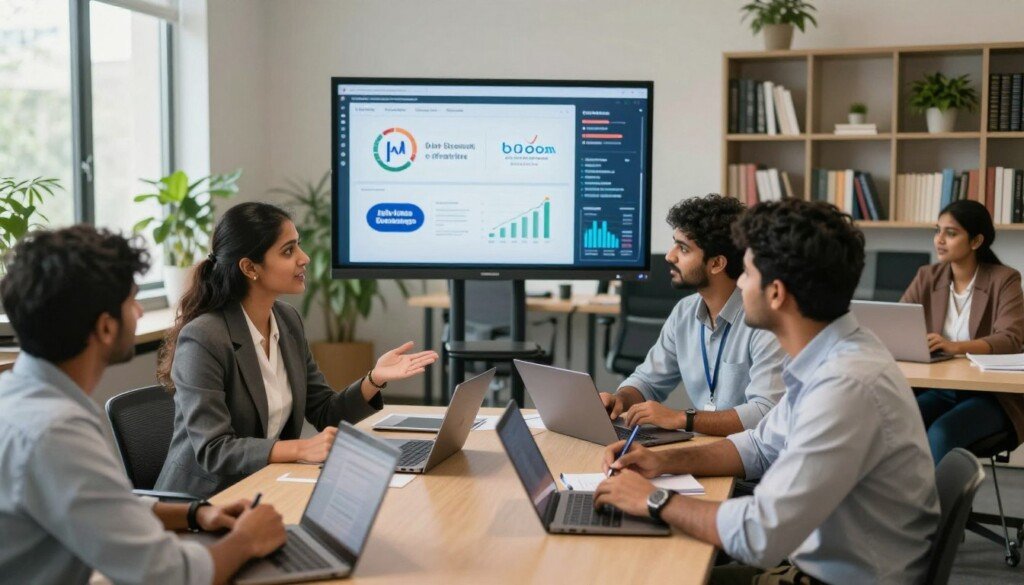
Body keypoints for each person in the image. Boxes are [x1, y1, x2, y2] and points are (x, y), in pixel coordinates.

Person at [593, 199, 939, 584]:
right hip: (814, 561)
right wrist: (663, 462)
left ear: (775, 293)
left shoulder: (844, 386)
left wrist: (653, 499)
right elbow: (758, 446)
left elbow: (760, 535)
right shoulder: (827, 358)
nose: (740, 282)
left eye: (749, 273)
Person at [0, 226, 286, 585]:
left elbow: (102, 505)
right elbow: (167, 576)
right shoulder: (56, 433)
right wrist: (247, 540)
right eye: (132, 301)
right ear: (105, 328)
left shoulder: (21, 397)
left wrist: (197, 514)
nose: (138, 311)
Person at [155, 202, 437, 498]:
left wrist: (375, 378)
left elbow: (326, 412)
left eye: (298, 247)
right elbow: (214, 450)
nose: (304, 259)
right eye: (288, 251)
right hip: (204, 503)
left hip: (265, 486)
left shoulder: (287, 321)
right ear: (250, 267)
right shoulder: (204, 338)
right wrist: (301, 447)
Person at [599, 194, 786, 437]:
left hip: (749, 462)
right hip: (706, 448)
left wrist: (681, 418)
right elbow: (647, 381)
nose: (669, 255)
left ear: (717, 263)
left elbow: (764, 412)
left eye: (683, 248)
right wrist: (620, 400)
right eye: (674, 243)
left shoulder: (763, 320)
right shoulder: (684, 311)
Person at [901, 199, 1024, 464]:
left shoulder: (1004, 279)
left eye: (951, 233)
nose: (939, 240)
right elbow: (900, 324)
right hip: (937, 388)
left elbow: (1012, 339)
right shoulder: (927, 276)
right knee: (898, 422)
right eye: (938, 230)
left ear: (976, 241)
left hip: (991, 395)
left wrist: (955, 346)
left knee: (941, 433)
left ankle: (941, 506)